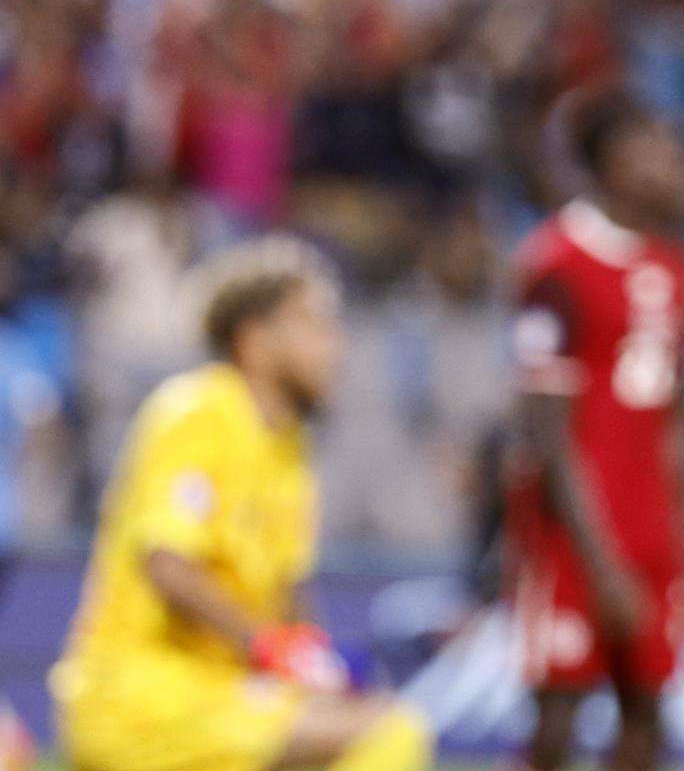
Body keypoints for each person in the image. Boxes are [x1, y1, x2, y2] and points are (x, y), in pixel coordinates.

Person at [49, 238, 434, 771]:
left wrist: (321, 664)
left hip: (220, 696)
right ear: (254, 340)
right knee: (389, 735)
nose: (336, 345)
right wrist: (272, 650)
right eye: (315, 326)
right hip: (140, 696)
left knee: (365, 713)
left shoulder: (289, 449)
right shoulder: (200, 412)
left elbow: (288, 596)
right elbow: (167, 563)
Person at [507, 90, 684, 771]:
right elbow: (547, 432)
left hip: (653, 533)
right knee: (556, 724)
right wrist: (602, 562)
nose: (677, 164)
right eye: (659, 148)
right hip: (573, 538)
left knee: (647, 717)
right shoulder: (553, 262)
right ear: (614, 160)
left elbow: (676, 423)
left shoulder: (676, 267)